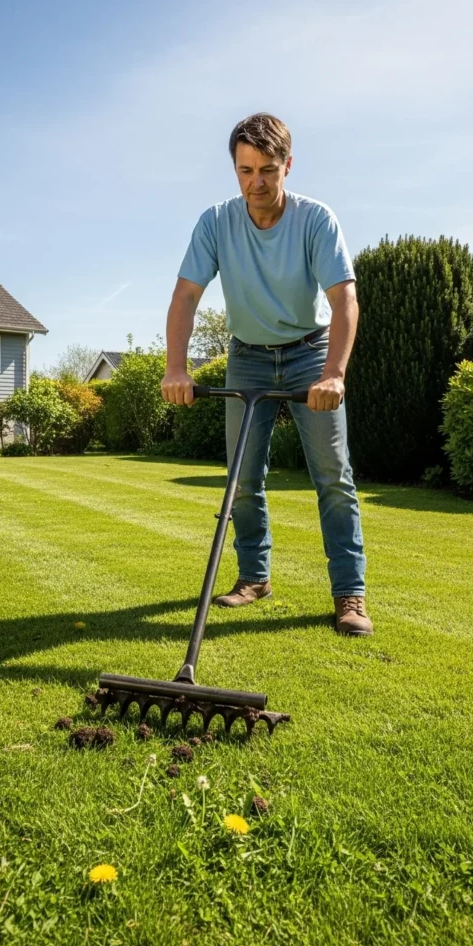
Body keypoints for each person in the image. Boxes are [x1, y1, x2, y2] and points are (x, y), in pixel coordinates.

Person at [161, 113, 372, 636]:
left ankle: (350, 595)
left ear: (288, 166)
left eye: (268, 170)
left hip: (309, 352)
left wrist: (334, 374)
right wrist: (175, 366)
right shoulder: (216, 222)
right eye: (245, 169)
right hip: (248, 357)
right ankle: (254, 578)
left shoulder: (315, 219)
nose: (256, 182)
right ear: (235, 168)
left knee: (332, 478)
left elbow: (343, 297)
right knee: (241, 481)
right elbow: (186, 295)